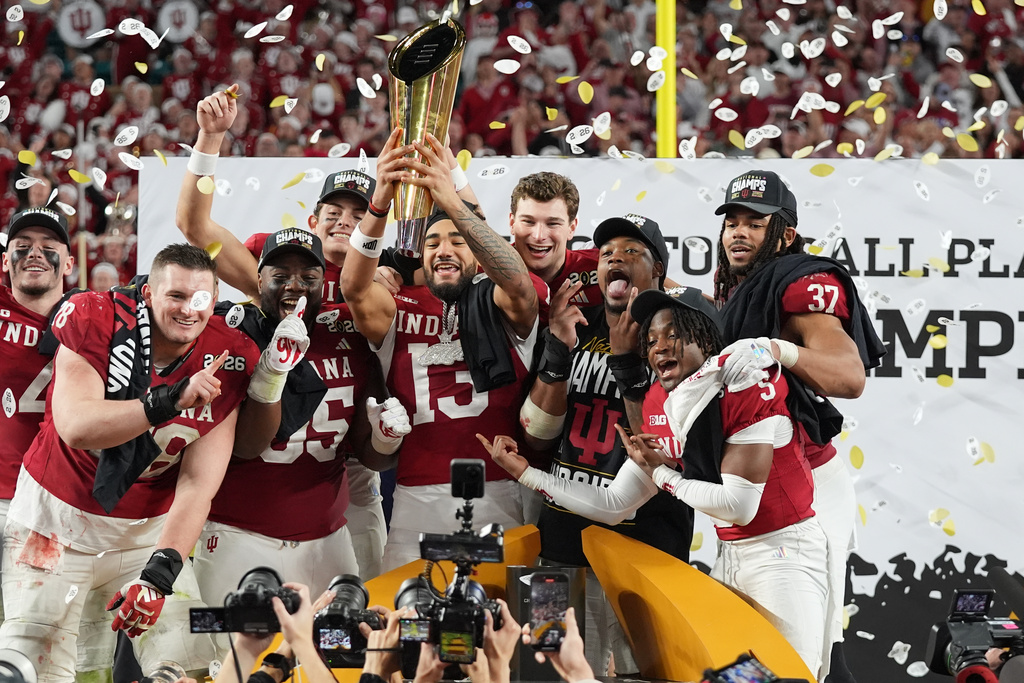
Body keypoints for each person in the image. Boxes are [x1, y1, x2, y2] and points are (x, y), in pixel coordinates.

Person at [483, 286, 828, 678]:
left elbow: (740, 506)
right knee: (744, 674)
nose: (659, 347)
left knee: (792, 672)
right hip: (730, 554)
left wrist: (661, 473)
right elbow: (615, 504)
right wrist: (526, 472)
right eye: (650, 340)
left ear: (706, 336)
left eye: (673, 334)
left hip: (783, 550)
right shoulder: (660, 403)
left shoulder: (744, 380)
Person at [0, 243, 260, 683]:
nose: (189, 310)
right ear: (148, 295)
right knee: (28, 666)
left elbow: (199, 483)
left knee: (195, 662)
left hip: (147, 531)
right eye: (175, 296)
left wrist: (160, 575)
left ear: (214, 301)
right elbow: (77, 426)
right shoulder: (93, 316)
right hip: (54, 521)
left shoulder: (229, 352)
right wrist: (169, 400)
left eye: (200, 299)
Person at [177, 85, 397, 579]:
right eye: (334, 214)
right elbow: (195, 225)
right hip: (276, 459)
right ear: (312, 221)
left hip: (348, 461)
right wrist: (210, 139)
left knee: (360, 607)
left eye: (359, 216)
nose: (345, 223)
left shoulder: (386, 281)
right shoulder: (277, 269)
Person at [340, 128, 542, 571]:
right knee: (408, 629)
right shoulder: (398, 304)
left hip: (500, 493)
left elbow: (518, 282)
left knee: (497, 629)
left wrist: (452, 199)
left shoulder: (500, 299)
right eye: (432, 243)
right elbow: (353, 288)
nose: (443, 250)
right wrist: (379, 202)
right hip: (416, 500)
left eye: (457, 241)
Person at [712, 170, 886, 683]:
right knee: (757, 647)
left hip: (805, 488)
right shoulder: (741, 285)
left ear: (786, 234)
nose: (739, 233)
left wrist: (780, 349)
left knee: (811, 651)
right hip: (758, 486)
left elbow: (850, 377)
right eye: (732, 222)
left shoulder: (799, 283)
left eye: (755, 223)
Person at [190, 227, 410, 620]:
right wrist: (271, 372)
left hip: (328, 539)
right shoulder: (231, 334)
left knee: (334, 665)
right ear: (258, 280)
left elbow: (369, 456)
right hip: (239, 535)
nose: (295, 286)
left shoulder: (347, 330)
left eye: (309, 277)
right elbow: (246, 446)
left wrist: (386, 436)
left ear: (325, 282)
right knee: (233, 665)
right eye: (280, 275)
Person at [511, 213, 684, 676]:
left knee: (638, 673)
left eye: (632, 252)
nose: (615, 259)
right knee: (545, 669)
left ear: (659, 275)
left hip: (642, 545)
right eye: (607, 253)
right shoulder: (578, 331)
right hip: (560, 537)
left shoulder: (680, 344)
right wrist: (556, 351)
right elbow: (537, 435)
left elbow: (656, 448)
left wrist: (629, 364)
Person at [0, 207, 75, 623]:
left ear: (68, 263)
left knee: (30, 630)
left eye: (48, 248)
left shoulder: (94, 318)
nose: (34, 254)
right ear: (4, 260)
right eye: (22, 247)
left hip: (47, 502)